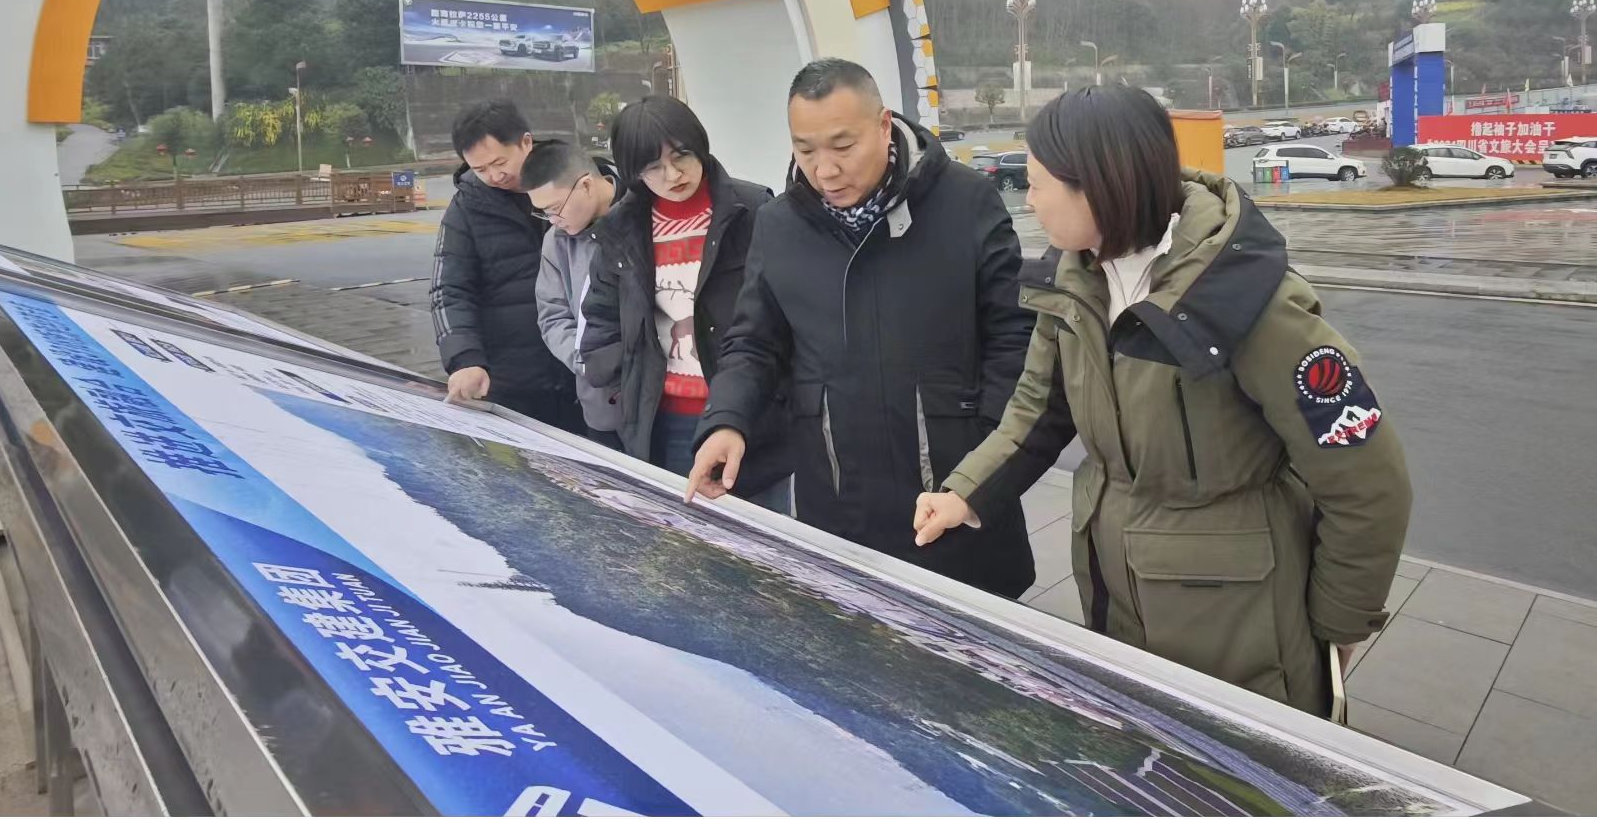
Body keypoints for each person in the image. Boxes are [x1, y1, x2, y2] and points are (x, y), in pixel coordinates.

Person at [912, 85, 1412, 715]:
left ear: (1098, 187)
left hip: (1241, 618)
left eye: (1038, 185)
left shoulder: (1244, 298)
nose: (1029, 200)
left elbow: (1367, 479)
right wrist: (965, 493)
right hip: (1115, 586)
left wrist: (1340, 622)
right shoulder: (1075, 281)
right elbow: (1038, 407)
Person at [687, 59, 1036, 599]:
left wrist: (983, 455)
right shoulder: (779, 225)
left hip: (954, 494)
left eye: (843, 146)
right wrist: (727, 421)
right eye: (805, 150)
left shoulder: (965, 201)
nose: (824, 170)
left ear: (883, 125)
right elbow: (753, 342)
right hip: (837, 499)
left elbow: (1015, 338)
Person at [578, 97, 793, 506]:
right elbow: (600, 318)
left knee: (760, 535)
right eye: (653, 167)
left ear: (700, 146)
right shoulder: (620, 229)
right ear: (634, 171)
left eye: (681, 156)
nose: (672, 174)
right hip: (664, 421)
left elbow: (785, 309)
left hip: (751, 417)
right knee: (679, 537)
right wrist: (626, 382)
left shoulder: (752, 211)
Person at [430, 99, 582, 433]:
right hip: (513, 382)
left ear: (526, 142)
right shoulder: (467, 208)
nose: (494, 176)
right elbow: (449, 291)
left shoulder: (573, 182)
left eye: (500, 162)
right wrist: (465, 360)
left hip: (585, 376)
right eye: (480, 169)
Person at [521, 140, 623, 444]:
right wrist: (588, 362)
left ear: (586, 185)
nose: (554, 221)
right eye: (545, 213)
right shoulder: (557, 241)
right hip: (602, 407)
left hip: (666, 404)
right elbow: (552, 316)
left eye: (555, 209)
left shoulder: (644, 217)